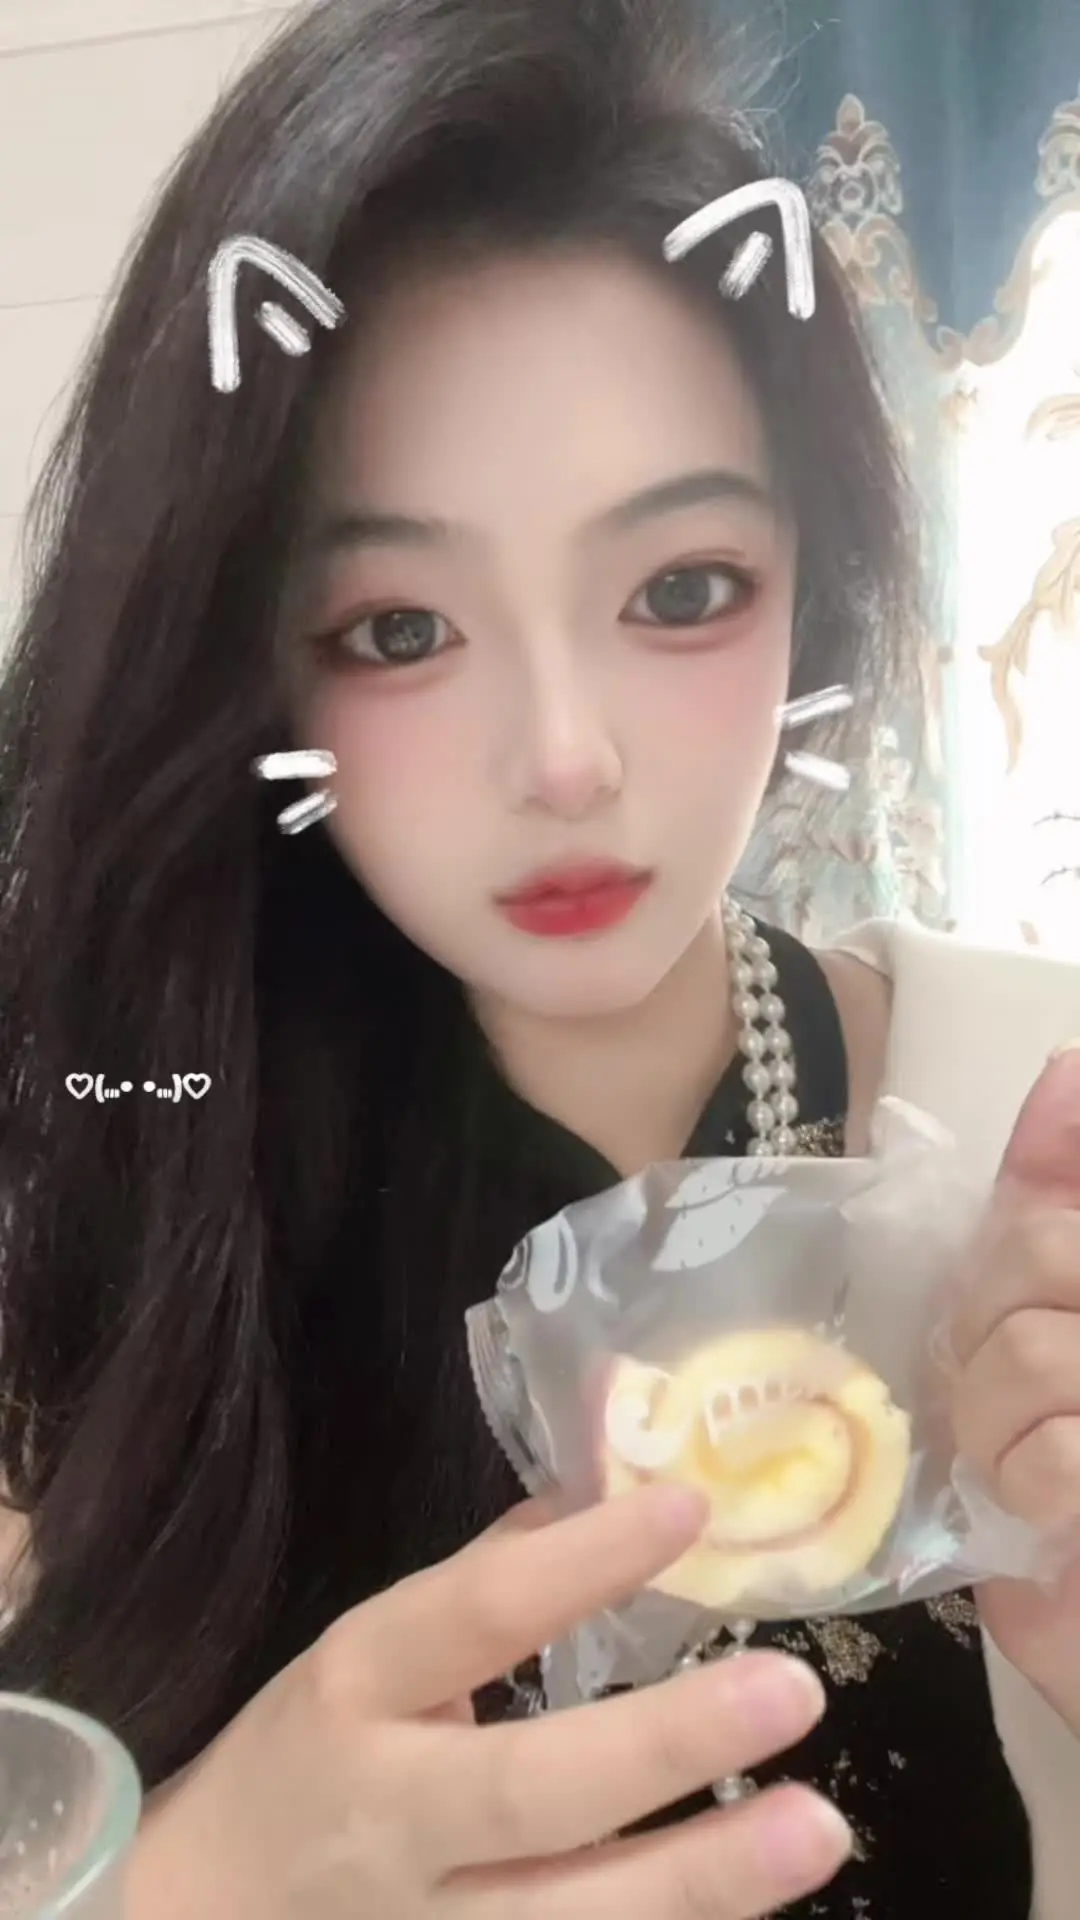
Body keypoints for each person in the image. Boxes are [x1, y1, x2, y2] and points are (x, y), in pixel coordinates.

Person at [0, 1, 1078, 1914]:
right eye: (400, 629)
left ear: (814, 589)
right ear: (241, 663)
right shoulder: (108, 1185)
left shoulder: (1024, 1118)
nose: (566, 758)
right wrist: (178, 1887)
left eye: (682, 589)